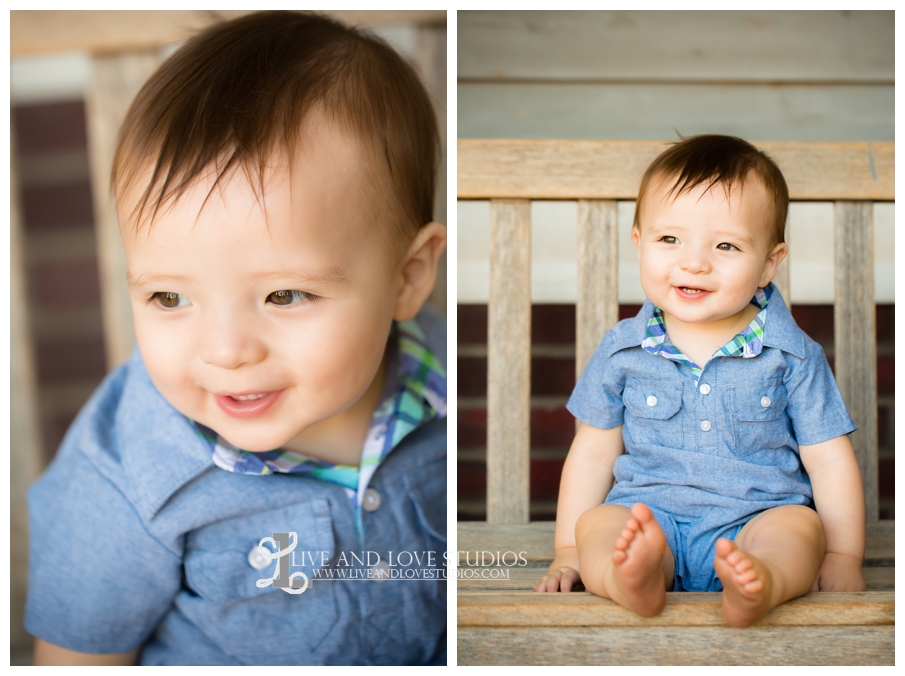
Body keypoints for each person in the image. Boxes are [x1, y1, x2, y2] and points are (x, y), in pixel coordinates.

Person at [26, 12, 447, 665]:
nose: (224, 351)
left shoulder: (451, 392)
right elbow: (75, 656)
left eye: (283, 295)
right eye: (170, 298)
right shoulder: (130, 469)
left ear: (408, 276)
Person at [534, 135, 866, 627]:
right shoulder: (622, 350)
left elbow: (828, 458)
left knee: (798, 529)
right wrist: (568, 549)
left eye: (726, 245)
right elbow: (592, 452)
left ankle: (761, 582)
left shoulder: (792, 356)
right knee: (600, 525)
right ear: (639, 241)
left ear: (769, 264)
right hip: (648, 514)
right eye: (670, 239)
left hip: (758, 515)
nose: (694, 262)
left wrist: (843, 557)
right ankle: (634, 577)